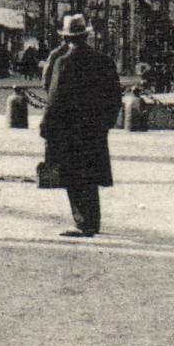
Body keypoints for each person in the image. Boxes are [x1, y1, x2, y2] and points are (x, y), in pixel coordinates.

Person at [38, 13, 123, 238]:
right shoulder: (104, 61)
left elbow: (53, 98)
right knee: (90, 175)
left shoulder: (63, 62)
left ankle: (83, 222)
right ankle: (92, 221)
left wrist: (46, 126)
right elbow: (115, 97)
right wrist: (105, 123)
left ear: (66, 38)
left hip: (70, 132)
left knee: (73, 176)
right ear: (86, 36)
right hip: (94, 131)